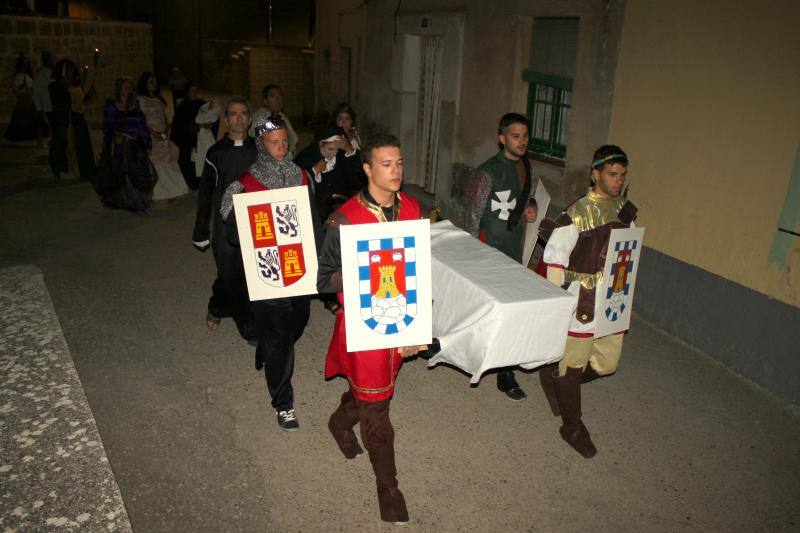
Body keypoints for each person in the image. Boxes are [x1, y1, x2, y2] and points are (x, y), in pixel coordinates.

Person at [317, 133, 428, 525]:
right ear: (367, 168)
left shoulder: (413, 209)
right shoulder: (344, 220)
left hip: (401, 321)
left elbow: (417, 273)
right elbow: (323, 279)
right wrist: (361, 276)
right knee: (378, 408)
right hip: (365, 328)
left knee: (375, 393)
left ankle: (340, 419)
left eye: (399, 163)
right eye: (386, 164)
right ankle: (389, 486)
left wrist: (417, 327)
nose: (395, 171)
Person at [219, 113, 319, 431]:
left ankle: (265, 340)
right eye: (274, 142)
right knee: (279, 337)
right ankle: (283, 402)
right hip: (268, 272)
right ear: (261, 145)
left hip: (299, 268)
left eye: (284, 141)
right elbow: (231, 229)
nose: (281, 147)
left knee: (297, 323)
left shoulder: (301, 176)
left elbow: (312, 221)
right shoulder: (246, 184)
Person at [538, 145, 637, 458]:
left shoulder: (626, 211)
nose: (618, 180)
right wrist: (556, 306)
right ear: (596, 174)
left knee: (607, 363)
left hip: (613, 297)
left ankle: (559, 379)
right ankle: (572, 425)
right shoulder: (579, 212)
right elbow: (554, 258)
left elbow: (628, 253)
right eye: (612, 174)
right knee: (574, 362)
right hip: (581, 299)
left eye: (622, 175)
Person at [472, 113, 539, 401]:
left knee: (511, 313)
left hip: (514, 250)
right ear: (502, 138)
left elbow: (524, 197)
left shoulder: (526, 167)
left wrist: (531, 205)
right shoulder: (487, 172)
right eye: (515, 135)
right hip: (489, 251)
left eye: (524, 135)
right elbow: (472, 215)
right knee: (485, 311)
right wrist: (472, 254)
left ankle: (505, 372)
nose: (521, 141)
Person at [192, 96, 257, 341]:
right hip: (225, 224)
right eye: (233, 113)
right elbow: (206, 195)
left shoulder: (260, 149)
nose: (238, 118)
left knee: (253, 273)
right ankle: (217, 307)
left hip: (254, 222)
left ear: (249, 119)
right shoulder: (215, 153)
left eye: (243, 113)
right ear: (226, 119)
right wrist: (200, 231)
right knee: (228, 273)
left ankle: (249, 325)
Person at [95, 76, 154, 212]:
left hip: (134, 144)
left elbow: (142, 125)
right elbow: (107, 125)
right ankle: (115, 200)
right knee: (117, 173)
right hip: (119, 143)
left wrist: (147, 143)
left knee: (137, 173)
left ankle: (137, 203)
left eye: (130, 87)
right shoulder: (111, 105)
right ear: (120, 89)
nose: (129, 90)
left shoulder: (136, 104)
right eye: (126, 87)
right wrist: (115, 136)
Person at [294, 124, 364, 222]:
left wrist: (350, 150)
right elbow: (295, 185)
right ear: (320, 144)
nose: (334, 153)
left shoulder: (342, 156)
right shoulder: (305, 157)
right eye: (330, 149)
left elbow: (359, 179)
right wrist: (314, 171)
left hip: (343, 208)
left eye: (337, 149)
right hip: (316, 213)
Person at [137, 71, 189, 202]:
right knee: (154, 164)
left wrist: (166, 129)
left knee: (167, 163)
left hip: (163, 135)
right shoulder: (141, 100)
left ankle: (172, 192)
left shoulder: (160, 100)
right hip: (150, 135)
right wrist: (153, 133)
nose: (154, 84)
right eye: (151, 82)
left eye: (155, 82)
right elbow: (140, 120)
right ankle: (154, 193)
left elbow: (165, 117)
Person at [170, 81, 207, 189]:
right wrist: (200, 126)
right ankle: (191, 182)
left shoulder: (201, 104)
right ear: (187, 92)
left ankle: (199, 180)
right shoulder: (183, 106)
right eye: (192, 91)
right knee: (188, 161)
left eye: (196, 91)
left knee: (198, 160)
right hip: (186, 139)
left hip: (198, 139)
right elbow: (182, 124)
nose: (194, 93)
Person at [66, 62, 97, 180]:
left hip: (80, 118)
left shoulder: (77, 86)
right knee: (77, 146)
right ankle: (80, 171)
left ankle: (87, 169)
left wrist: (89, 94)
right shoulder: (67, 89)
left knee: (84, 146)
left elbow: (82, 101)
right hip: (74, 118)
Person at [47, 59, 76, 178]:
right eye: (69, 71)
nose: (71, 74)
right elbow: (57, 106)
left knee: (63, 143)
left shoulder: (65, 87)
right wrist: (61, 124)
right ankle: (56, 166)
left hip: (65, 119)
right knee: (59, 142)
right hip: (59, 120)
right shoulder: (55, 86)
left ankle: (61, 167)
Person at [249, 84, 298, 154]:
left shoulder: (281, 115)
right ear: (265, 101)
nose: (278, 99)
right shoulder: (260, 117)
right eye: (272, 96)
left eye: (280, 96)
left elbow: (293, 141)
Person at [4, 53, 37, 142]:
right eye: (23, 64)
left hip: (29, 102)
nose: (25, 66)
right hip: (22, 102)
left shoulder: (28, 77)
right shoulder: (17, 78)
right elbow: (17, 90)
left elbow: (32, 88)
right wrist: (22, 87)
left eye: (26, 64)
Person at [32, 49, 56, 145]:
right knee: (45, 123)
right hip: (46, 105)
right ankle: (41, 140)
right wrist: (38, 107)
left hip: (52, 104)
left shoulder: (53, 74)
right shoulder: (40, 75)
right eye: (50, 59)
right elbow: (36, 92)